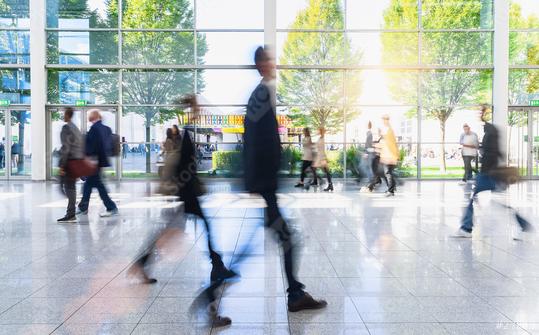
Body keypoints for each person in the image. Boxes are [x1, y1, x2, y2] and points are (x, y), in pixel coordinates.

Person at [129, 96, 235, 327]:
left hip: (185, 195)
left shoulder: (185, 134)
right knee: (198, 230)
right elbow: (184, 164)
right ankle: (215, 272)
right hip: (187, 195)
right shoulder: (185, 134)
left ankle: (143, 264)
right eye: (197, 109)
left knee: (174, 231)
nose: (200, 112)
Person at [243, 46, 327, 312]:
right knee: (287, 239)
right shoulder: (260, 95)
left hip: (265, 184)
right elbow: (254, 140)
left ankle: (294, 292)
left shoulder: (263, 93)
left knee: (282, 238)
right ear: (260, 64)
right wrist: (260, 180)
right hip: (265, 184)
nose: (273, 64)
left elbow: (257, 138)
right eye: (268, 60)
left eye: (273, 60)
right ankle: (294, 294)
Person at [454, 105, 533, 239]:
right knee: (499, 202)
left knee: (476, 199)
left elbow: (493, 152)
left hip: (489, 173)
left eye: (480, 113)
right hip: (490, 172)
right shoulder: (489, 131)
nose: (478, 115)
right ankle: (524, 227)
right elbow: (496, 152)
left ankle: (466, 229)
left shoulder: (491, 131)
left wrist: (488, 169)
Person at [77, 109, 118, 217]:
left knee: (98, 185)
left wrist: (88, 158)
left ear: (93, 117)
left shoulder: (94, 129)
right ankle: (83, 207)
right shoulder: (106, 129)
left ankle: (111, 207)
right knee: (89, 184)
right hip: (101, 161)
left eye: (90, 116)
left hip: (93, 162)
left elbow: (92, 147)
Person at [57, 107, 84, 223]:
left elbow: (66, 147)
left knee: (67, 187)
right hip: (76, 160)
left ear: (68, 115)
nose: (63, 116)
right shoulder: (75, 128)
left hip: (69, 161)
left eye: (64, 114)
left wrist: (62, 165)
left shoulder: (66, 128)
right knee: (70, 187)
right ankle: (71, 212)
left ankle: (71, 213)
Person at [362, 128, 388, 193]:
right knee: (379, 174)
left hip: (379, 158)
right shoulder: (380, 139)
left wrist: (370, 149)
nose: (378, 133)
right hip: (377, 158)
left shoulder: (382, 139)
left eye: (379, 131)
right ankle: (371, 187)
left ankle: (370, 188)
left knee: (378, 173)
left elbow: (381, 148)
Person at [380, 115, 399, 197]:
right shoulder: (389, 130)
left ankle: (391, 191)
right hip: (389, 155)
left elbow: (390, 144)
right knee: (388, 173)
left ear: (387, 120)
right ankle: (392, 188)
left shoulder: (389, 131)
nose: (383, 121)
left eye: (384, 120)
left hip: (389, 156)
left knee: (388, 173)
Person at [313, 127, 333, 192]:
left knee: (326, 171)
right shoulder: (320, 138)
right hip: (320, 157)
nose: (317, 131)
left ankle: (327, 183)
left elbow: (322, 149)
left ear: (321, 131)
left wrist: (323, 159)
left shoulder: (322, 139)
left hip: (321, 157)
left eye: (318, 130)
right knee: (326, 171)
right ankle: (329, 185)